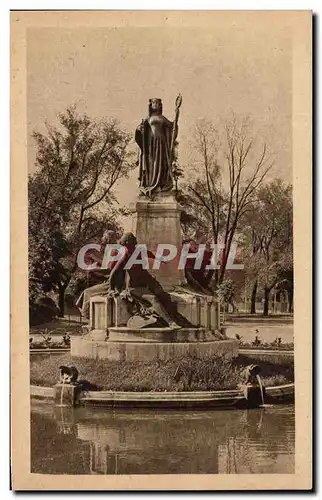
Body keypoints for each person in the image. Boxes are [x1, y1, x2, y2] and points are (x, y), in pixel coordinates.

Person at [108, 232, 193, 328]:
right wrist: (111, 288)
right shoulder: (125, 256)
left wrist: (161, 259)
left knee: (164, 295)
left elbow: (151, 254)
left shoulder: (139, 250)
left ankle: (177, 319)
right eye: (133, 239)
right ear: (128, 242)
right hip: (136, 287)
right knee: (153, 299)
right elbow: (113, 273)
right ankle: (170, 322)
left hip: (148, 280)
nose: (136, 240)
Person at [135, 98, 177, 197]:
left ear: (160, 105)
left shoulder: (162, 118)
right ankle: (150, 183)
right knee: (152, 163)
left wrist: (176, 119)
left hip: (161, 143)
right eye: (154, 103)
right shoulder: (148, 118)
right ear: (151, 105)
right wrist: (139, 129)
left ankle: (160, 184)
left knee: (161, 162)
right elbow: (141, 128)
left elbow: (171, 126)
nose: (156, 105)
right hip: (151, 143)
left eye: (157, 103)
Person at [76, 230, 119, 320]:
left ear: (108, 239)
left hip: (112, 283)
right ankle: (88, 316)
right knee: (84, 294)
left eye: (104, 238)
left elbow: (108, 268)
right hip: (110, 280)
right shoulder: (113, 249)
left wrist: (93, 268)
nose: (103, 240)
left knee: (87, 292)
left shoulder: (114, 250)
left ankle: (88, 317)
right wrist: (94, 260)